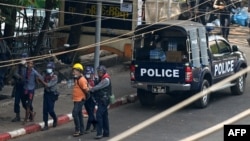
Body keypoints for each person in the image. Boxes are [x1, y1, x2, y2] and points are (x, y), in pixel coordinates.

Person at [90, 65, 111, 139]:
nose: (99, 73)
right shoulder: (101, 78)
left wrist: (91, 89)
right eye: (98, 72)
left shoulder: (106, 80)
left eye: (100, 72)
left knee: (98, 115)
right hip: (102, 100)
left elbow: (98, 87)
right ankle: (106, 132)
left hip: (104, 100)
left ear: (103, 72)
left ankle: (99, 133)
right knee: (104, 116)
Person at [22, 60, 43, 124]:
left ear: (33, 65)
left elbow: (41, 77)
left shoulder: (34, 72)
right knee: (23, 103)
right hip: (25, 89)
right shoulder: (24, 70)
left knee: (28, 105)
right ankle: (31, 113)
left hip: (31, 90)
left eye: (31, 64)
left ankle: (25, 119)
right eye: (28, 63)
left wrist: (38, 79)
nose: (29, 65)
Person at [71, 63, 89, 137]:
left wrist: (84, 97)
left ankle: (77, 130)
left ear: (79, 71)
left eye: (75, 71)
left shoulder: (81, 80)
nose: (73, 72)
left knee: (74, 113)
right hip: (76, 99)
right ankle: (82, 130)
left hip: (80, 99)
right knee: (79, 114)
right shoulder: (76, 78)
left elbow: (86, 89)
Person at [40, 62, 58, 131]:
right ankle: (46, 125)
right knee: (45, 110)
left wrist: (41, 81)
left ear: (53, 69)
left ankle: (55, 118)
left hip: (52, 94)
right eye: (48, 68)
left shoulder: (54, 77)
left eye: (50, 68)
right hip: (46, 94)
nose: (48, 69)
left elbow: (48, 85)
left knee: (50, 110)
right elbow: (41, 82)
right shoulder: (46, 75)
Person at [11, 53, 28, 122]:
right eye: (22, 58)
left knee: (24, 102)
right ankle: (17, 116)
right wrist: (19, 77)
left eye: (24, 58)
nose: (22, 59)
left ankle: (29, 113)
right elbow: (14, 73)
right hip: (18, 86)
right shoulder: (19, 67)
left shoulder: (28, 67)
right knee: (16, 102)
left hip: (25, 87)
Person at [84, 66, 97, 134]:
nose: (88, 75)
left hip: (92, 98)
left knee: (91, 114)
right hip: (86, 98)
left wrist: (90, 88)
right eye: (87, 73)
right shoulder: (84, 79)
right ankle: (95, 125)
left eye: (89, 73)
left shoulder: (94, 80)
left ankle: (87, 128)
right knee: (90, 113)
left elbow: (95, 89)